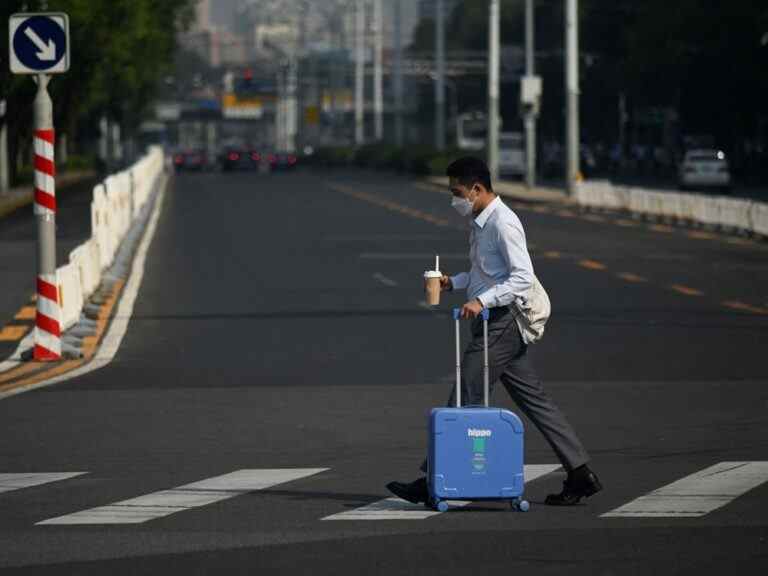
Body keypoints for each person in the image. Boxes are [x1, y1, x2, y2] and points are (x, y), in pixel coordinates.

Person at [386, 157, 602, 506]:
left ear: (477, 189)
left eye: (457, 192)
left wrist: (483, 302)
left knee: (464, 394)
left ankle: (431, 481)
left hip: (504, 320)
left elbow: (521, 278)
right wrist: (452, 282)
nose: (454, 200)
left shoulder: (503, 223)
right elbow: (484, 274)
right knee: (534, 399)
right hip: (495, 321)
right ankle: (580, 473)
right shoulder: (480, 223)